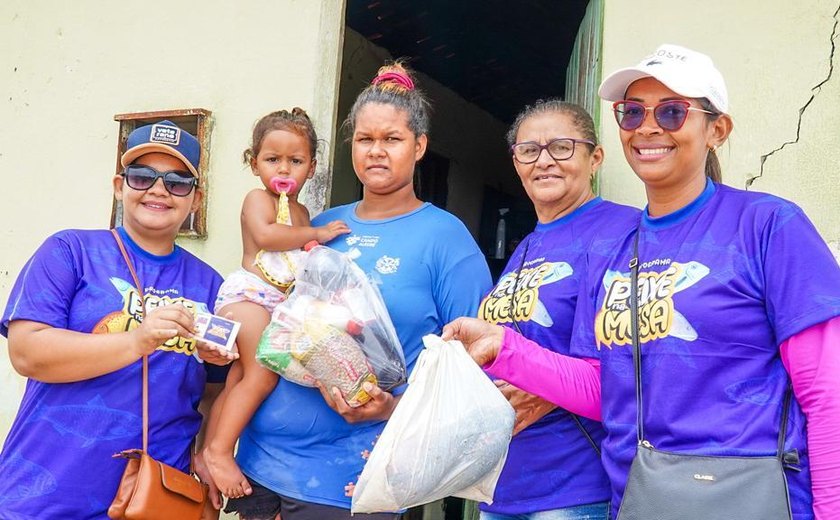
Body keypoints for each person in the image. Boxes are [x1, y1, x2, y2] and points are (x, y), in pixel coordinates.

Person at [444, 44, 840, 519]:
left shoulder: (766, 225)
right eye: (632, 113)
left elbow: (827, 389)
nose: (648, 127)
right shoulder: (616, 249)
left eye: (672, 112)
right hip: (641, 496)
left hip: (746, 493)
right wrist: (502, 346)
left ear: (717, 129)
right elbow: (601, 389)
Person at [223, 62, 492, 520]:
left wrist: (393, 407)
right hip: (258, 467)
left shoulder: (446, 239)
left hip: (350, 481)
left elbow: (472, 367)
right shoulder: (324, 223)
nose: (376, 152)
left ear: (420, 145)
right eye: (366, 140)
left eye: (392, 139)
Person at [0, 120, 236, 518]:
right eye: (142, 177)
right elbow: (26, 352)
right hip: (47, 493)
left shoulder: (212, 285)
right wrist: (137, 340)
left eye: (178, 181)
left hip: (154, 498)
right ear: (118, 186)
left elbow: (214, 395)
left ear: (195, 199)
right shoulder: (70, 250)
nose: (159, 190)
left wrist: (209, 452)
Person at [476, 100, 639, 520]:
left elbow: (633, 359)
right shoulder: (528, 246)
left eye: (562, 147)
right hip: (503, 483)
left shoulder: (624, 231)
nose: (544, 160)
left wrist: (545, 387)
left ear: (595, 158)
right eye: (529, 150)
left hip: (573, 484)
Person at [201, 108, 351, 500]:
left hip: (275, 305)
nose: (284, 168)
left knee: (237, 380)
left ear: (312, 166)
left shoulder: (301, 212)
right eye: (272, 159)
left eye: (296, 160)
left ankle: (208, 447)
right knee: (262, 375)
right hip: (248, 298)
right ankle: (219, 452)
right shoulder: (258, 199)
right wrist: (315, 233)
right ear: (254, 164)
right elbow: (268, 237)